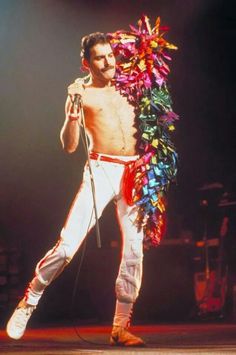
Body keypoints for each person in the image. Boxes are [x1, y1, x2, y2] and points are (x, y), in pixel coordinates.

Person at [6, 32, 145, 347]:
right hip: (102, 169)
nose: (108, 61)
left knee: (135, 250)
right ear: (87, 62)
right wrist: (72, 112)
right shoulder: (81, 92)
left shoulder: (133, 85)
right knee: (68, 245)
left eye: (110, 54)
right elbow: (69, 146)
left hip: (135, 170)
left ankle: (120, 327)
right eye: (100, 57)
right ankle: (31, 297)